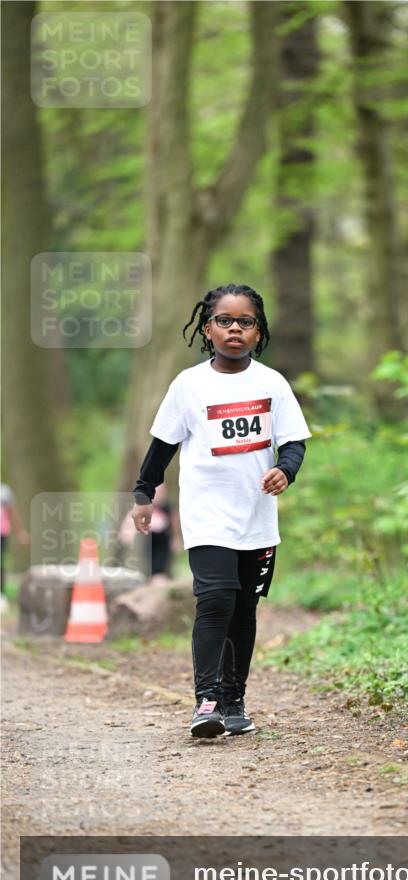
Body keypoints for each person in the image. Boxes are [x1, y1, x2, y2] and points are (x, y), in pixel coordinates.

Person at [131, 283, 311, 739]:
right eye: (224, 321)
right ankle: (206, 700)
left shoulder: (272, 383)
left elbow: (293, 440)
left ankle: (234, 700)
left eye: (245, 322)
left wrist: (285, 471)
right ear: (207, 329)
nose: (235, 329)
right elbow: (163, 445)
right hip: (207, 514)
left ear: (258, 331)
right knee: (215, 600)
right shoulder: (189, 385)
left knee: (243, 609)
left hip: (256, 516)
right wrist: (143, 493)